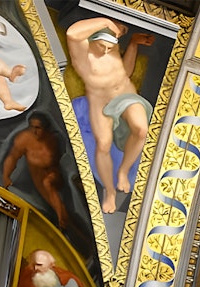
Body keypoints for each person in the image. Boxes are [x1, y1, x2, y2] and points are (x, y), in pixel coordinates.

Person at [65, 17, 154, 214]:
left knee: (141, 130)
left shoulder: (110, 47)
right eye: (102, 46)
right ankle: (110, 192)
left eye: (110, 46)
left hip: (125, 97)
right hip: (100, 101)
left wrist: (133, 43)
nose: (107, 50)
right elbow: (72, 33)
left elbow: (124, 73)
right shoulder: (82, 57)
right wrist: (105, 20)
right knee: (103, 144)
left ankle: (123, 171)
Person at [2, 112, 70, 228]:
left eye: (38, 128)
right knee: (46, 186)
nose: (34, 131)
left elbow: (65, 161)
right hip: (37, 176)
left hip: (55, 173)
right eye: (32, 127)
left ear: (45, 128)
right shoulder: (24, 138)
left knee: (48, 183)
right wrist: (6, 176)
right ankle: (61, 219)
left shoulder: (53, 140)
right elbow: (12, 157)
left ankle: (63, 219)